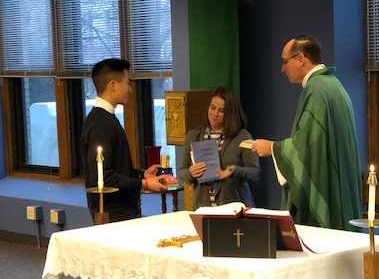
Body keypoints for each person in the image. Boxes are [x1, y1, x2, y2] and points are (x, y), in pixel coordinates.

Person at [252, 35, 362, 279]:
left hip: (324, 196)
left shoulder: (316, 90)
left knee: (321, 274)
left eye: (285, 61)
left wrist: (273, 148)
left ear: (302, 59)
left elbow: (306, 150)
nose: (282, 68)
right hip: (337, 188)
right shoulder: (335, 87)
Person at [81, 58, 168, 222]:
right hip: (112, 212)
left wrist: (142, 174)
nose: (130, 89)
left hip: (121, 209)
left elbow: (117, 169)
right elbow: (103, 177)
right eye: (127, 83)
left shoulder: (105, 119)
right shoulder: (101, 124)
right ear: (113, 85)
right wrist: (144, 184)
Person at [179, 87, 260, 210]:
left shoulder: (242, 136)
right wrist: (191, 173)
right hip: (203, 208)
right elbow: (182, 171)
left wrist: (235, 171)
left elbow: (255, 173)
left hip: (235, 210)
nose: (215, 114)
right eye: (212, 108)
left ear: (230, 113)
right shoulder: (193, 136)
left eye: (221, 111)